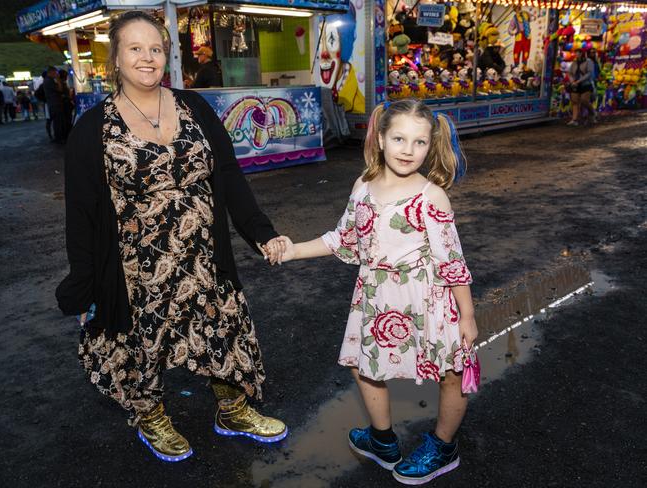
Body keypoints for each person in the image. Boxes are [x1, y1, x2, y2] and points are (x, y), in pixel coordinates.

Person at [55, 10, 288, 463]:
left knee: (222, 331)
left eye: (156, 48)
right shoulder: (91, 130)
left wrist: (260, 233)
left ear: (168, 56)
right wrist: (84, 284)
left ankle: (234, 409)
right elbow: (81, 216)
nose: (148, 58)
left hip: (203, 256)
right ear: (116, 59)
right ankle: (152, 416)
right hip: (135, 269)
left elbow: (229, 177)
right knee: (141, 346)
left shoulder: (194, 108)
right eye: (135, 48)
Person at [270, 99, 478, 485]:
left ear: (430, 146)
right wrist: (293, 250)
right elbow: (345, 238)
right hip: (376, 294)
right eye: (399, 138)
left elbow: (452, 262)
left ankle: (443, 445)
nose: (408, 150)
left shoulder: (431, 196)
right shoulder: (362, 185)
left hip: (428, 298)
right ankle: (382, 441)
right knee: (362, 364)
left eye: (419, 142)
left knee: (450, 372)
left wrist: (467, 316)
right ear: (380, 138)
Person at [567, 49, 596, 126]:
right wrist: (572, 81)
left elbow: (589, 73)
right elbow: (570, 72)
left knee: (584, 100)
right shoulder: (574, 62)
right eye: (576, 53)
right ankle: (574, 119)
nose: (577, 55)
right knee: (575, 101)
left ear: (582, 54)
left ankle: (592, 112)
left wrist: (579, 81)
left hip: (585, 84)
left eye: (578, 53)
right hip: (575, 84)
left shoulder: (588, 61)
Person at [43, 66, 63, 141]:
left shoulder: (47, 80)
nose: (56, 74)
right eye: (55, 72)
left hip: (52, 103)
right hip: (55, 104)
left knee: (56, 121)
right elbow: (60, 89)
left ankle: (57, 137)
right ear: (51, 72)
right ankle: (58, 137)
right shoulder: (49, 81)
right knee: (57, 121)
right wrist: (58, 80)